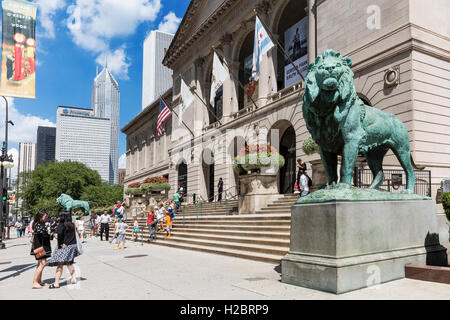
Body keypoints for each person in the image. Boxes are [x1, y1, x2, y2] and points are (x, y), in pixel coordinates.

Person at [47, 212, 80, 289]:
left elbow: (60, 236)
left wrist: (61, 244)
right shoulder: (72, 225)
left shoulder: (61, 225)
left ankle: (56, 283)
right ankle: (74, 278)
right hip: (72, 246)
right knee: (69, 262)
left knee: (60, 264)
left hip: (64, 246)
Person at [30, 211, 52, 289]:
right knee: (43, 264)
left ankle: (39, 281)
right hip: (40, 247)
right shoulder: (38, 225)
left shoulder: (38, 224)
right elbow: (44, 234)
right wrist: (48, 229)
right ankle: (35, 282)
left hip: (39, 246)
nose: (46, 218)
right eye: (45, 217)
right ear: (40, 217)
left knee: (40, 264)